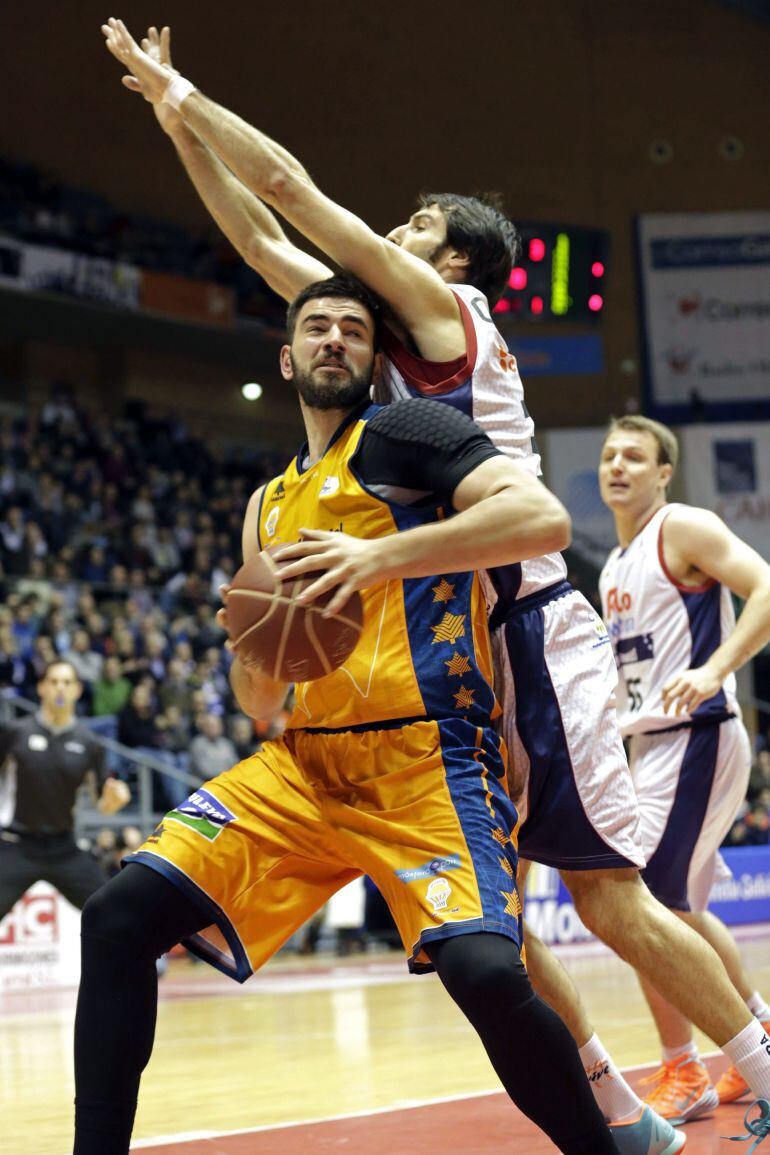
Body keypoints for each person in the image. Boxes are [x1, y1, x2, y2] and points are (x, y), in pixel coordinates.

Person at [100, 21, 770, 1150]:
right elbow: (263, 243)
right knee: (491, 920)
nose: (389, 233)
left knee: (605, 892)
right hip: (458, 645)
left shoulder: (441, 315)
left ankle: (753, 1061)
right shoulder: (378, 346)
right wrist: (179, 133)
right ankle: (615, 1110)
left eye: (411, 225)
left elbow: (293, 192)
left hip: (523, 623)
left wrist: (187, 89)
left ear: (446, 262)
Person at [72, 275, 626, 1155]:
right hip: (304, 765)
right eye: (317, 327)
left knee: (485, 971)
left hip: (428, 757)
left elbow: (542, 516)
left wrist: (376, 558)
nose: (335, 339)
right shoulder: (267, 504)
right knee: (114, 918)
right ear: (288, 358)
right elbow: (261, 705)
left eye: (354, 330)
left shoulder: (410, 433)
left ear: (373, 360)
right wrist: (254, 646)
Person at [598, 415, 770, 1120]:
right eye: (609, 455)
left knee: (641, 906)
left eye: (634, 456)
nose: (617, 465)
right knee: (682, 910)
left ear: (663, 472)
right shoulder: (613, 563)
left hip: (696, 734)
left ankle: (683, 1066)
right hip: (652, 745)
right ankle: (754, 1035)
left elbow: (766, 588)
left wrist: (713, 668)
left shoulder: (683, 528)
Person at [0, 660, 130, 919]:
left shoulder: (89, 743)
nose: (60, 688)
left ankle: (152, 961)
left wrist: (114, 801)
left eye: (67, 682)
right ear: (41, 688)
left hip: (64, 848)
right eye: (54, 681)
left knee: (113, 913)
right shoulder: (14, 732)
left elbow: (102, 804)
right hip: (16, 845)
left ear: (78, 690)